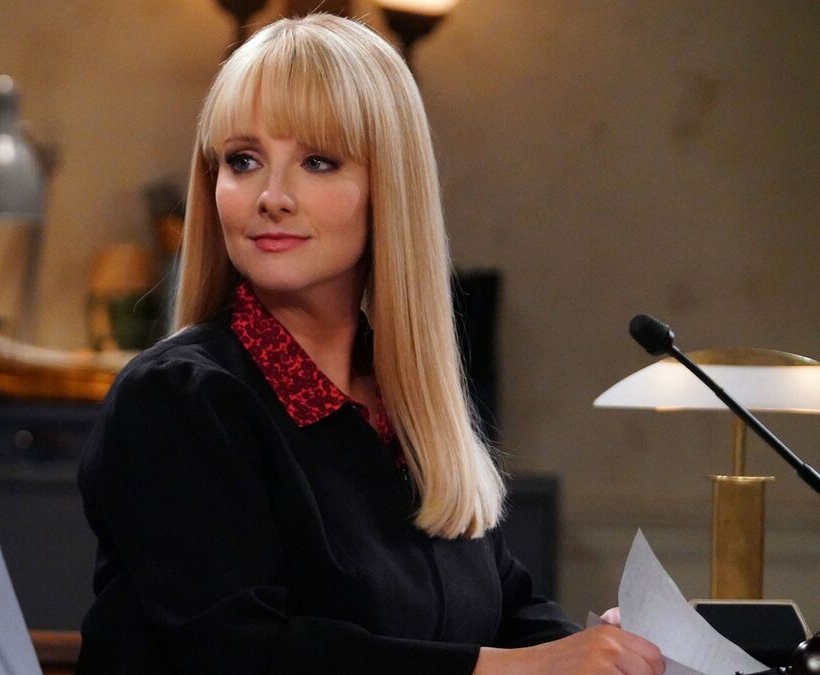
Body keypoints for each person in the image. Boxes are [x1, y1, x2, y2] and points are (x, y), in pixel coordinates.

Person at [77, 13, 664, 674]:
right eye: (243, 160)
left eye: (317, 162)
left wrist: (609, 651)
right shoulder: (178, 398)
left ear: (390, 187)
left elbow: (506, 609)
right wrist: (523, 669)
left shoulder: (403, 404)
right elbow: (242, 654)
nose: (271, 196)